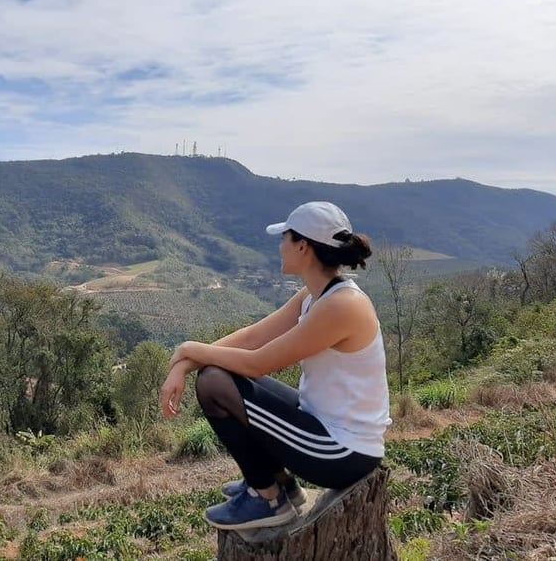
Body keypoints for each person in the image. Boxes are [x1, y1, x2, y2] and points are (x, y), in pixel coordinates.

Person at [160, 201, 391, 530]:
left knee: (214, 384)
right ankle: (280, 485)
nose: (280, 246)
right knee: (217, 373)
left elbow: (257, 363)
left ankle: (266, 498)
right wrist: (184, 364)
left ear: (303, 246)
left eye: (285, 238)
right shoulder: (316, 295)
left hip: (342, 453)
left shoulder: (342, 306)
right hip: (324, 430)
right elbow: (253, 337)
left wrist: (188, 349)